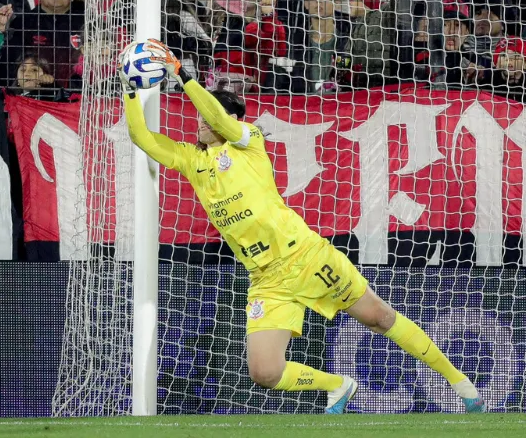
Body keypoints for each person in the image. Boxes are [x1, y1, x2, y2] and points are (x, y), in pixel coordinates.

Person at [120, 39, 487, 414]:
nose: (198, 124)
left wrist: (183, 75)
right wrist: (130, 90)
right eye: (198, 120)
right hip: (266, 279)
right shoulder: (189, 160)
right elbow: (142, 137)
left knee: (380, 317)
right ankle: (338, 385)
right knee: (265, 371)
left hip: (305, 255)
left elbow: (216, 118)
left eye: (204, 118)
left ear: (231, 120)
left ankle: (459, 382)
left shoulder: (250, 143)